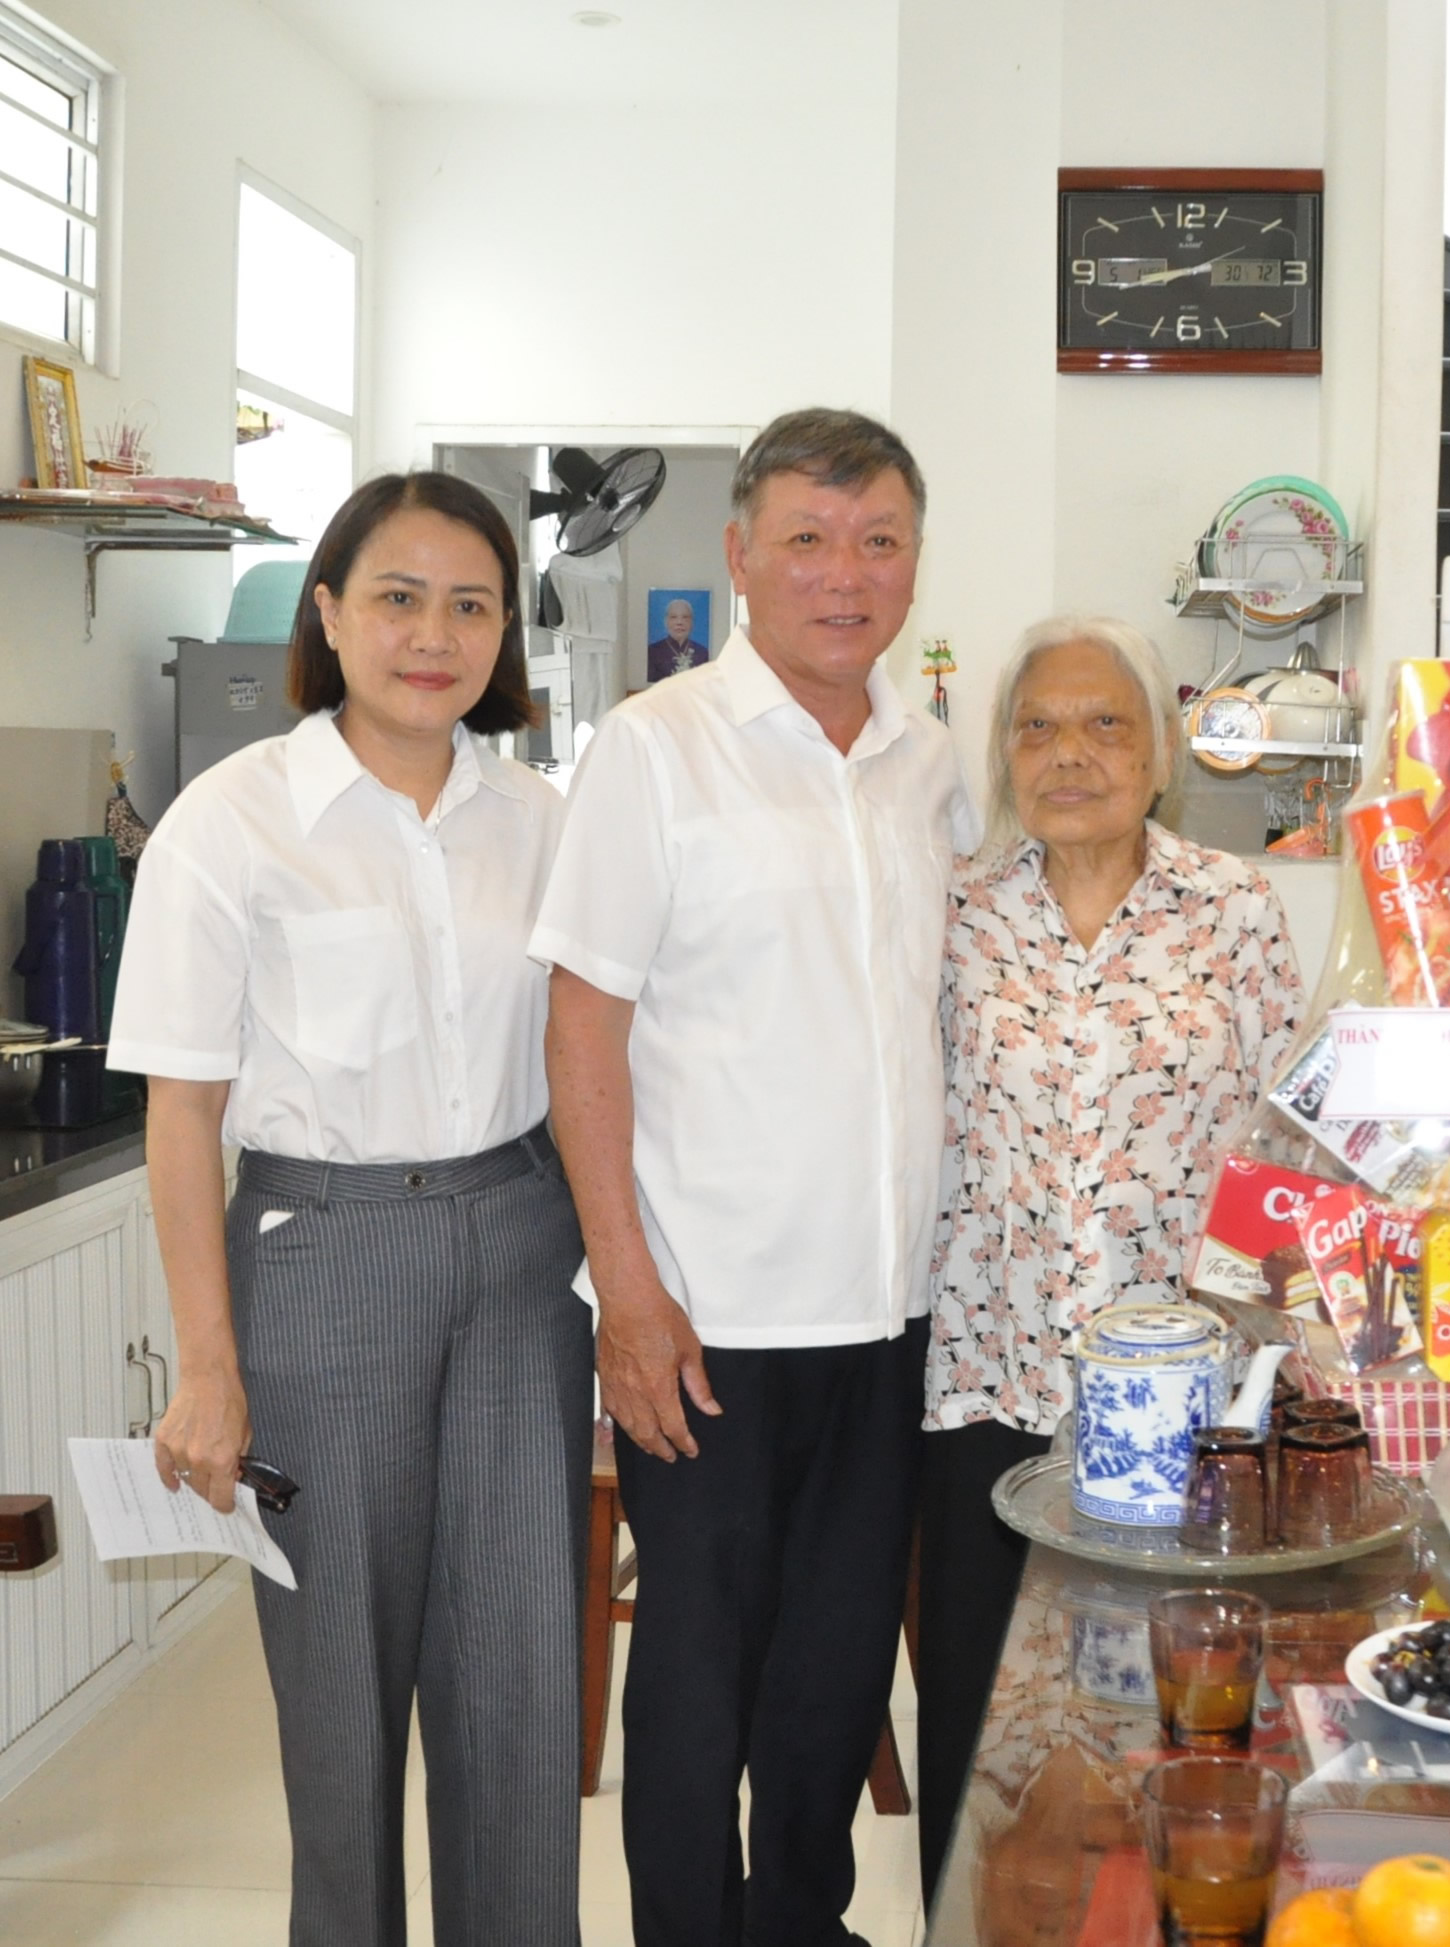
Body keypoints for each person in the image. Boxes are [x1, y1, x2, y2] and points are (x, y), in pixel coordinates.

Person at [109, 473, 588, 1947]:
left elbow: (595, 1065)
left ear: (505, 631)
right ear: (327, 610)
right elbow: (182, 1110)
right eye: (397, 596)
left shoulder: (545, 818)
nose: (432, 634)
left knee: (519, 1676)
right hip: (318, 1260)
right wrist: (209, 1361)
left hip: (520, 1247)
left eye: (470, 603)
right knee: (338, 1688)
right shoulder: (232, 820)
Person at [534, 408, 979, 1945]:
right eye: (805, 538)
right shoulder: (657, 751)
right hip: (706, 1317)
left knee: (838, 1670)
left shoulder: (931, 762)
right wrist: (628, 1291)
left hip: (886, 1310)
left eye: (875, 541)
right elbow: (580, 1022)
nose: (842, 576)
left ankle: (799, 1923)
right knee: (700, 1684)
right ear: (739, 555)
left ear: (914, 558)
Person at [916, 615, 1304, 1900]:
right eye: (1038, 725)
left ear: (1156, 760)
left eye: (1104, 724)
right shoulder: (955, 914)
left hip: (1189, 1407)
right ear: (1002, 754)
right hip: (992, 1381)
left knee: (1183, 1727)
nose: (1068, 753)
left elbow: (1281, 1149)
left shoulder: (1235, 907)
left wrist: (1273, 1366)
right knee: (988, 1729)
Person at [647, 594, 708, 682]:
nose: (679, 622)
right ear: (666, 621)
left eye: (685, 617)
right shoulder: (652, 652)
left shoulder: (703, 653)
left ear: (692, 622)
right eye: (674, 617)